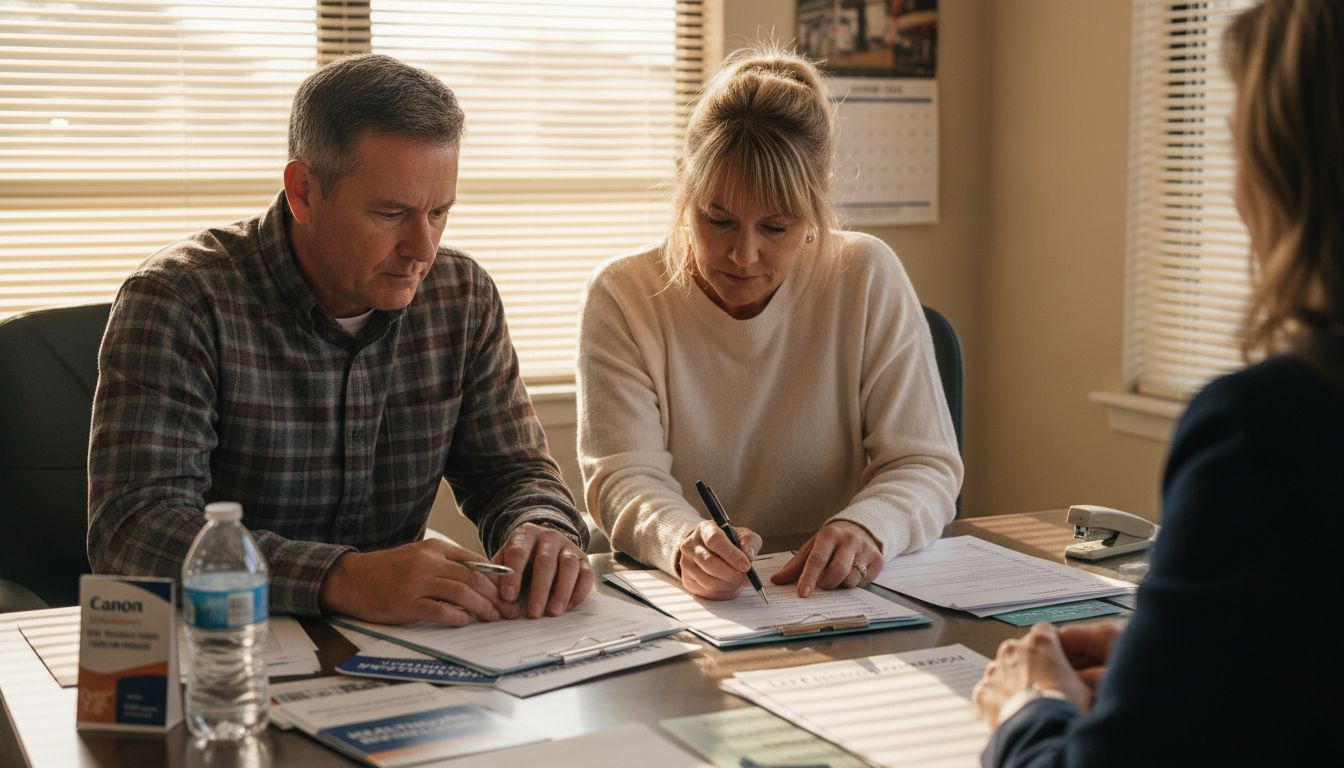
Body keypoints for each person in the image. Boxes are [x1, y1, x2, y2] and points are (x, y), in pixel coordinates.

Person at [87, 54, 593, 627]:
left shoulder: (462, 294)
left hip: (400, 644)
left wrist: (541, 528)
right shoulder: (180, 298)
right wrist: (340, 578)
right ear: (303, 191)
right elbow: (133, 529)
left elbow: (512, 472)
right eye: (391, 213)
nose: (423, 249)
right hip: (227, 639)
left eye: (439, 213)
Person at [971, 1, 1341, 764]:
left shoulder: (1266, 429)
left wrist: (1026, 709)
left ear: (1290, 173)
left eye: (1239, 147)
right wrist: (1177, 657)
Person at [577, 44, 962, 601]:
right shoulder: (623, 294)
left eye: (776, 228)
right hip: (681, 600)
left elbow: (926, 463)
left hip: (832, 597)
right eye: (718, 221)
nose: (744, 255)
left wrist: (867, 526)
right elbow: (622, 476)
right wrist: (683, 540)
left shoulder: (865, 274)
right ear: (685, 194)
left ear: (815, 210)